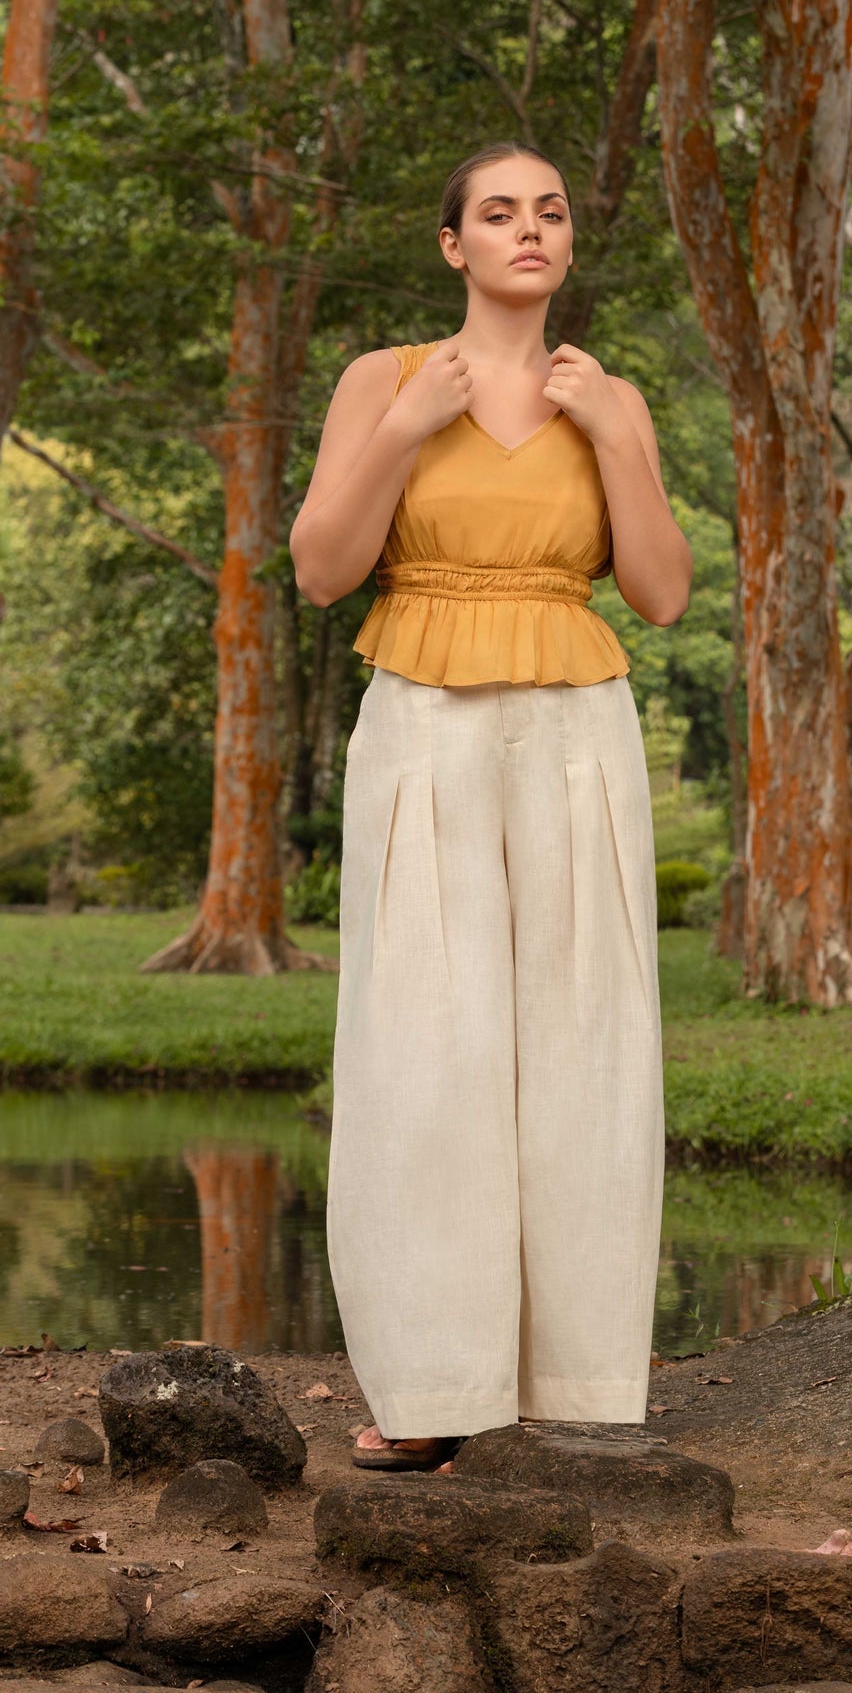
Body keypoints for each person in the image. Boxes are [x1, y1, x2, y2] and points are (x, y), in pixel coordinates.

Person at [288, 140, 693, 1473]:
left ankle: (579, 1392)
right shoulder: (385, 380)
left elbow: (662, 592)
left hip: (579, 727)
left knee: (587, 1038)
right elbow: (322, 569)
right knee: (423, 1043)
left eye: (552, 212)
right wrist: (408, 429)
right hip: (424, 723)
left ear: (568, 242)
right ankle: (431, 1387)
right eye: (501, 213)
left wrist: (615, 436)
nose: (531, 231)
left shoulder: (608, 396)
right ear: (453, 244)